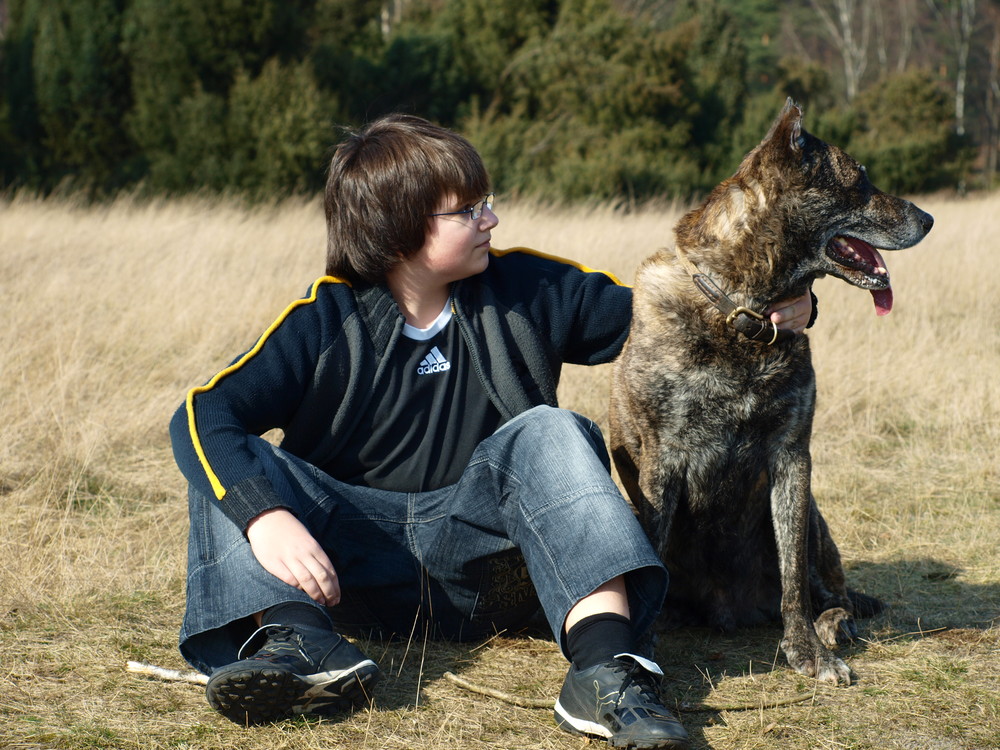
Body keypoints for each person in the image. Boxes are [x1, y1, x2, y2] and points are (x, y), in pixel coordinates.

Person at [169, 114, 813, 749]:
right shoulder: (323, 319)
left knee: (551, 430)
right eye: (468, 210)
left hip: (497, 573)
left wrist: (772, 304)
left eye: (487, 203)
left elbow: (673, 315)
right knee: (232, 465)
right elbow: (201, 415)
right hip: (344, 578)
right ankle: (296, 648)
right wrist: (266, 518)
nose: (491, 220)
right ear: (397, 232)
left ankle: (608, 670)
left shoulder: (531, 287)